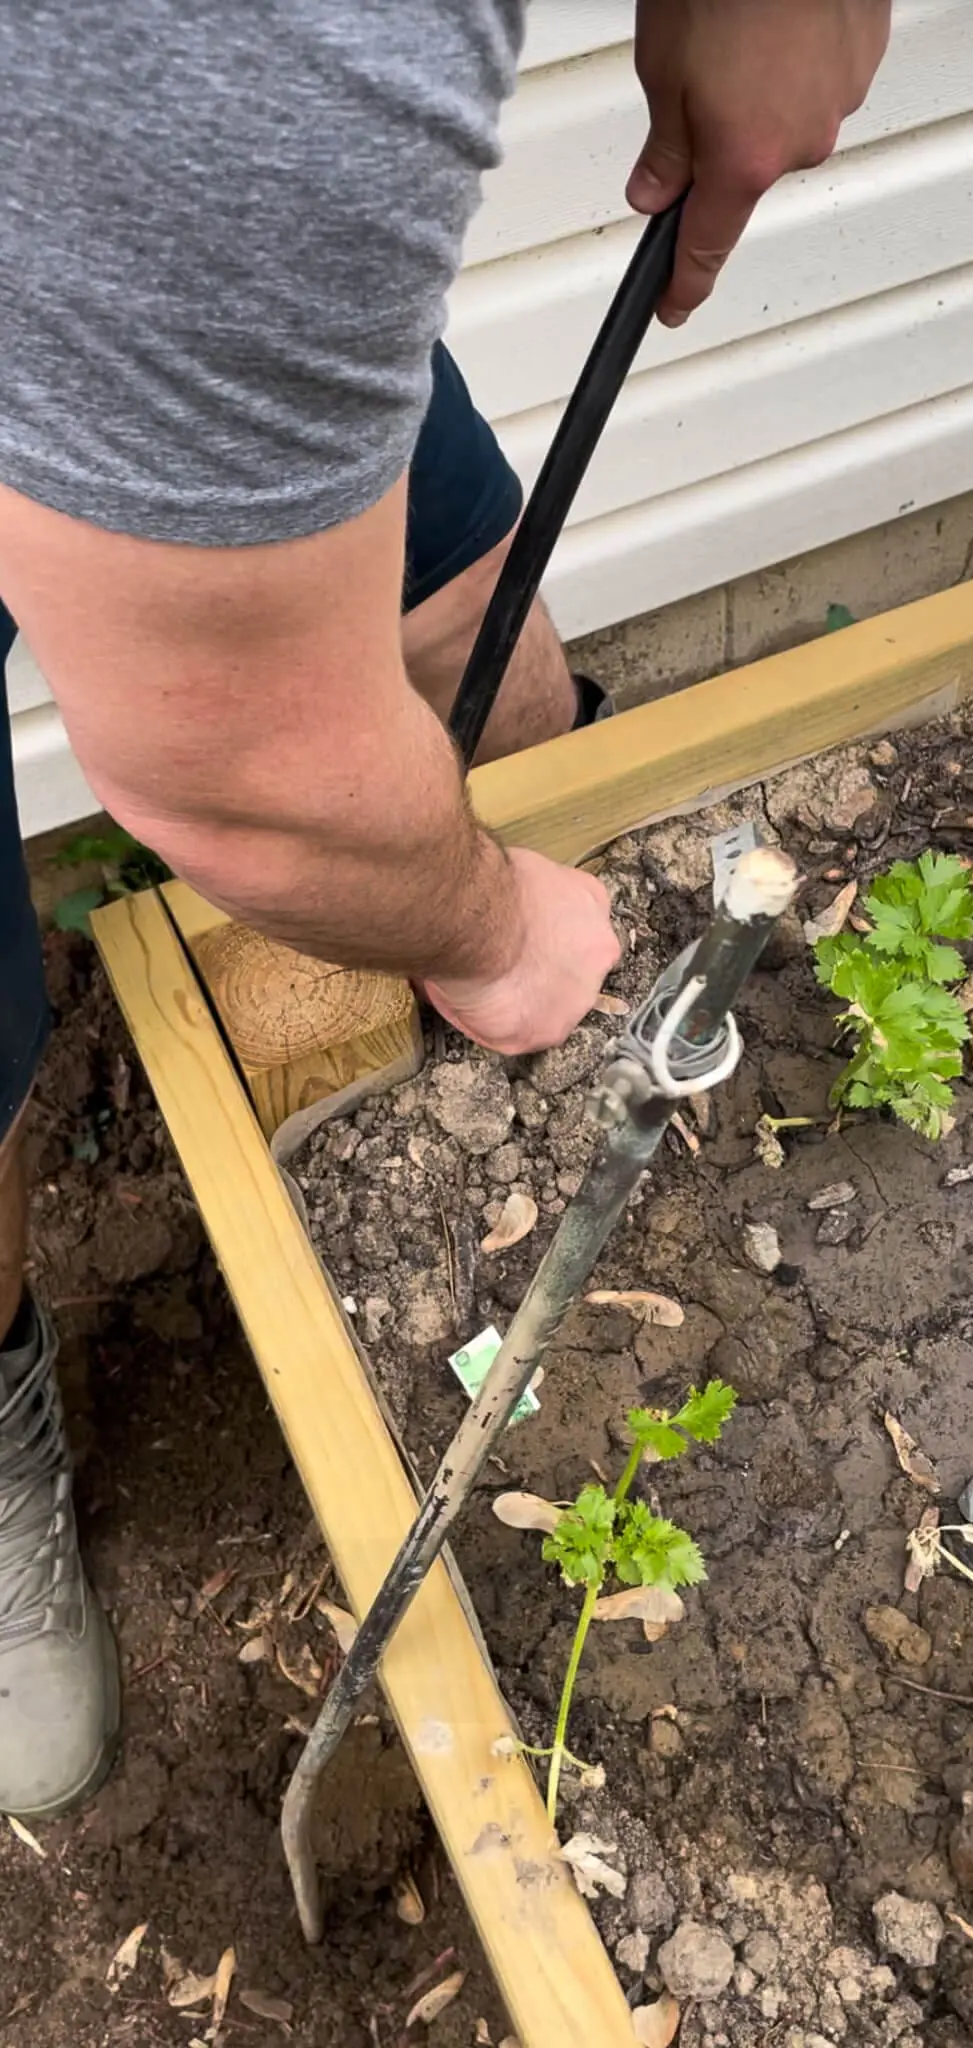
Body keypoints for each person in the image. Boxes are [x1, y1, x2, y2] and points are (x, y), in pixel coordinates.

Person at [0, 0, 891, 1818]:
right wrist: (484, 936)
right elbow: (233, 759)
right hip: (121, 174)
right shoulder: (259, 53)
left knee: (471, 651)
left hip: (146, 246)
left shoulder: (261, 132)